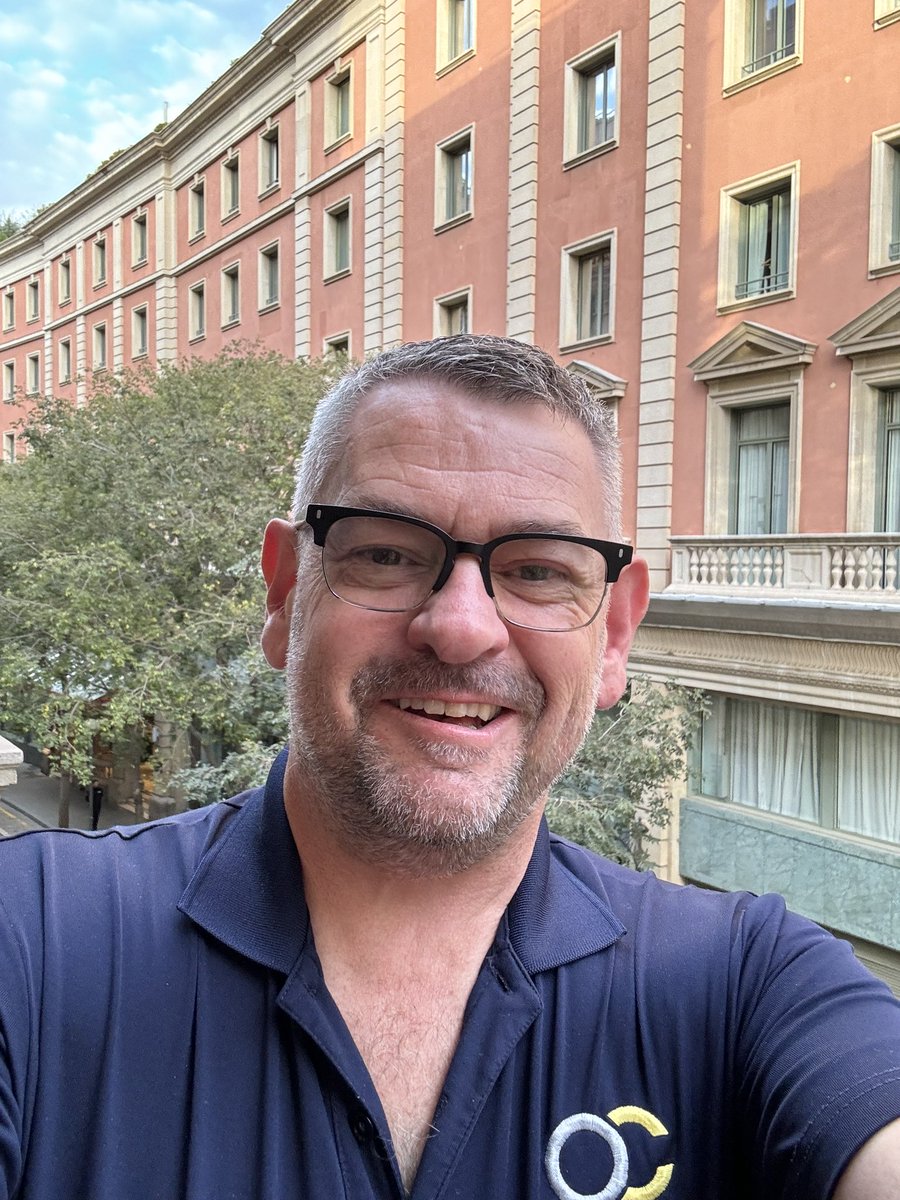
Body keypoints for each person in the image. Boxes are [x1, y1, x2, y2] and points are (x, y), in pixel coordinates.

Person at [0, 334, 898, 1200]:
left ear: (616, 633)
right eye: (386, 553)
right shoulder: (32, 940)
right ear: (284, 592)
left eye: (539, 572)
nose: (463, 629)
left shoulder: (749, 984)